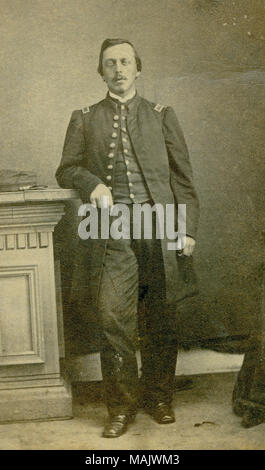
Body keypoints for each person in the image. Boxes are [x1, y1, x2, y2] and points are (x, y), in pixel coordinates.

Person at [56, 38, 200, 438]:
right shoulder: (84, 118)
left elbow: (183, 180)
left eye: (124, 61)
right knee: (113, 317)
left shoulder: (161, 115)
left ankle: (158, 397)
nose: (118, 69)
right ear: (100, 71)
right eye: (109, 63)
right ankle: (120, 407)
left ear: (138, 67)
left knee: (161, 315)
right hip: (109, 229)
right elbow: (65, 170)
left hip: (160, 225)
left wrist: (186, 229)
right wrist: (93, 184)